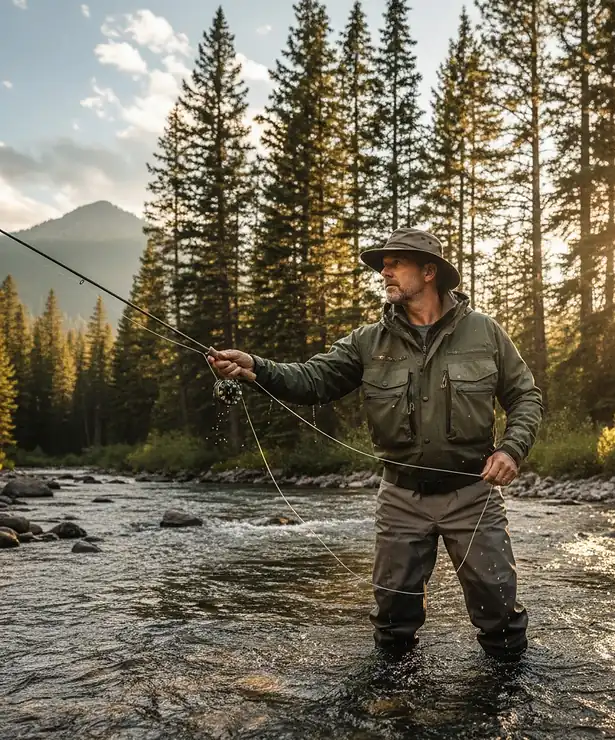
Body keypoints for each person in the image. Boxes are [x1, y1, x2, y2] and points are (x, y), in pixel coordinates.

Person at [209, 227, 544, 661]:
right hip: (400, 497)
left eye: (394, 263)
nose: (383, 270)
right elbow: (312, 380)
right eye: (381, 264)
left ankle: (506, 706)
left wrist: (512, 449)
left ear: (429, 272)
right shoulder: (367, 341)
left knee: (498, 612)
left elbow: (525, 396)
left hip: (474, 495)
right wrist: (256, 367)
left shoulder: (485, 333)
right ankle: (394, 703)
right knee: (393, 619)